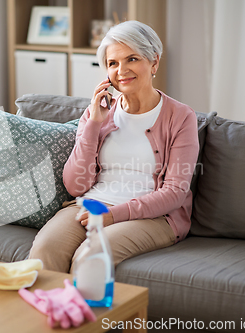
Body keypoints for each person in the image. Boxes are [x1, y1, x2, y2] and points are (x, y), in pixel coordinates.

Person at [28, 21, 200, 273]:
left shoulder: (181, 116)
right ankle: (49, 312)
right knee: (44, 250)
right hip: (91, 205)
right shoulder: (96, 114)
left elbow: (174, 193)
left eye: (132, 59)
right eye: (113, 63)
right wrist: (93, 124)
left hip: (153, 218)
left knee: (89, 258)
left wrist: (112, 215)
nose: (122, 70)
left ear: (154, 62)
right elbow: (75, 186)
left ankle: (83, 313)